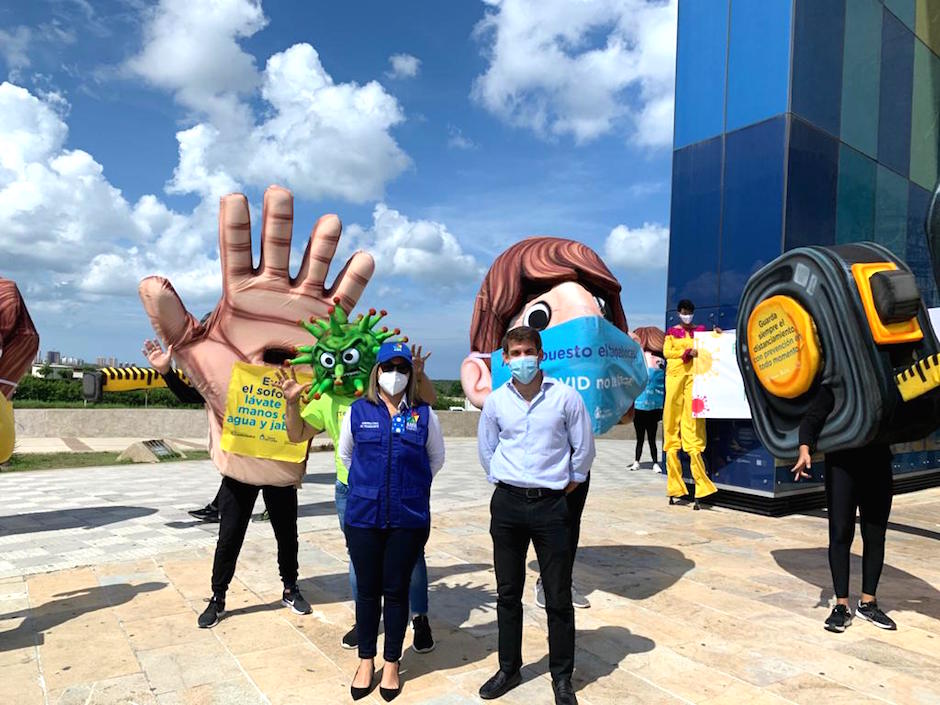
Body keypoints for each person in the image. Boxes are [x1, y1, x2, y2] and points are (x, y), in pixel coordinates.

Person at [279, 343, 439, 654]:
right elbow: (298, 434)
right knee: (359, 559)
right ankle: (364, 621)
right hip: (352, 492)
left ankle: (419, 617)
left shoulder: (396, 398)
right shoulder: (329, 400)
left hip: (401, 492)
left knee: (412, 557)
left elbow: (429, 412)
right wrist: (291, 404)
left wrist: (419, 374)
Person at [477, 326, 595, 705]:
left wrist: (567, 485)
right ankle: (508, 668)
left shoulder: (566, 398)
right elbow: (487, 450)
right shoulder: (496, 402)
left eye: (529, 350)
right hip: (508, 505)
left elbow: (584, 450)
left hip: (552, 506)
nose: (523, 358)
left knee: (558, 595)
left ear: (541, 354)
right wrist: (503, 480)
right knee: (508, 592)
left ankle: (562, 677)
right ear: (506, 358)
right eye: (516, 352)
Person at [336, 342, 444, 701]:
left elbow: (435, 460)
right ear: (376, 372)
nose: (394, 373)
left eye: (402, 367)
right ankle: (365, 660)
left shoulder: (425, 416)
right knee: (367, 591)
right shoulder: (357, 412)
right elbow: (347, 456)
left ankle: (393, 663)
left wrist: (404, 488)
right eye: (388, 366)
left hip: (407, 518)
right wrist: (372, 488)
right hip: (364, 517)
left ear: (410, 374)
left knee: (397, 593)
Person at [792, 384, 897, 633]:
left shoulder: (883, 382)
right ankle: (841, 605)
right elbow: (811, 419)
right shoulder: (837, 385)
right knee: (840, 534)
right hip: (842, 467)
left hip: (879, 464)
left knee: (875, 535)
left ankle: (868, 602)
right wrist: (804, 450)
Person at [142, 337, 221, 522]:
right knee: (239, 479)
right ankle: (216, 508)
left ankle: (217, 508)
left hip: (271, 443)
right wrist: (166, 371)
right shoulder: (220, 377)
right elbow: (190, 395)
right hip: (245, 447)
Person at [663, 299, 718, 509]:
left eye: (690, 312)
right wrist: (686, 353)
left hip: (694, 382)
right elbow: (667, 353)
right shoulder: (671, 333)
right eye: (684, 312)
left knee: (693, 428)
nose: (687, 315)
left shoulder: (700, 332)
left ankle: (701, 486)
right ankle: (675, 486)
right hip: (675, 381)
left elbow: (711, 346)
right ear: (679, 313)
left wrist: (717, 336)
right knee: (671, 427)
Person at [630, 326, 665, 473]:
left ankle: (655, 462)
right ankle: (636, 461)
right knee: (640, 438)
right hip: (639, 407)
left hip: (653, 407)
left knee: (652, 437)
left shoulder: (661, 362)